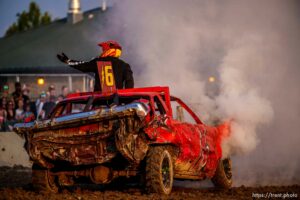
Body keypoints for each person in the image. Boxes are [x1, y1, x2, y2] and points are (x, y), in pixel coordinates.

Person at [57, 40, 134, 92]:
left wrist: (68, 61)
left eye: (103, 50)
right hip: (117, 103)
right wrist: (125, 101)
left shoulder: (98, 62)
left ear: (108, 51)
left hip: (99, 103)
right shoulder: (124, 65)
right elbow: (129, 84)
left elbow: (83, 66)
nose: (102, 52)